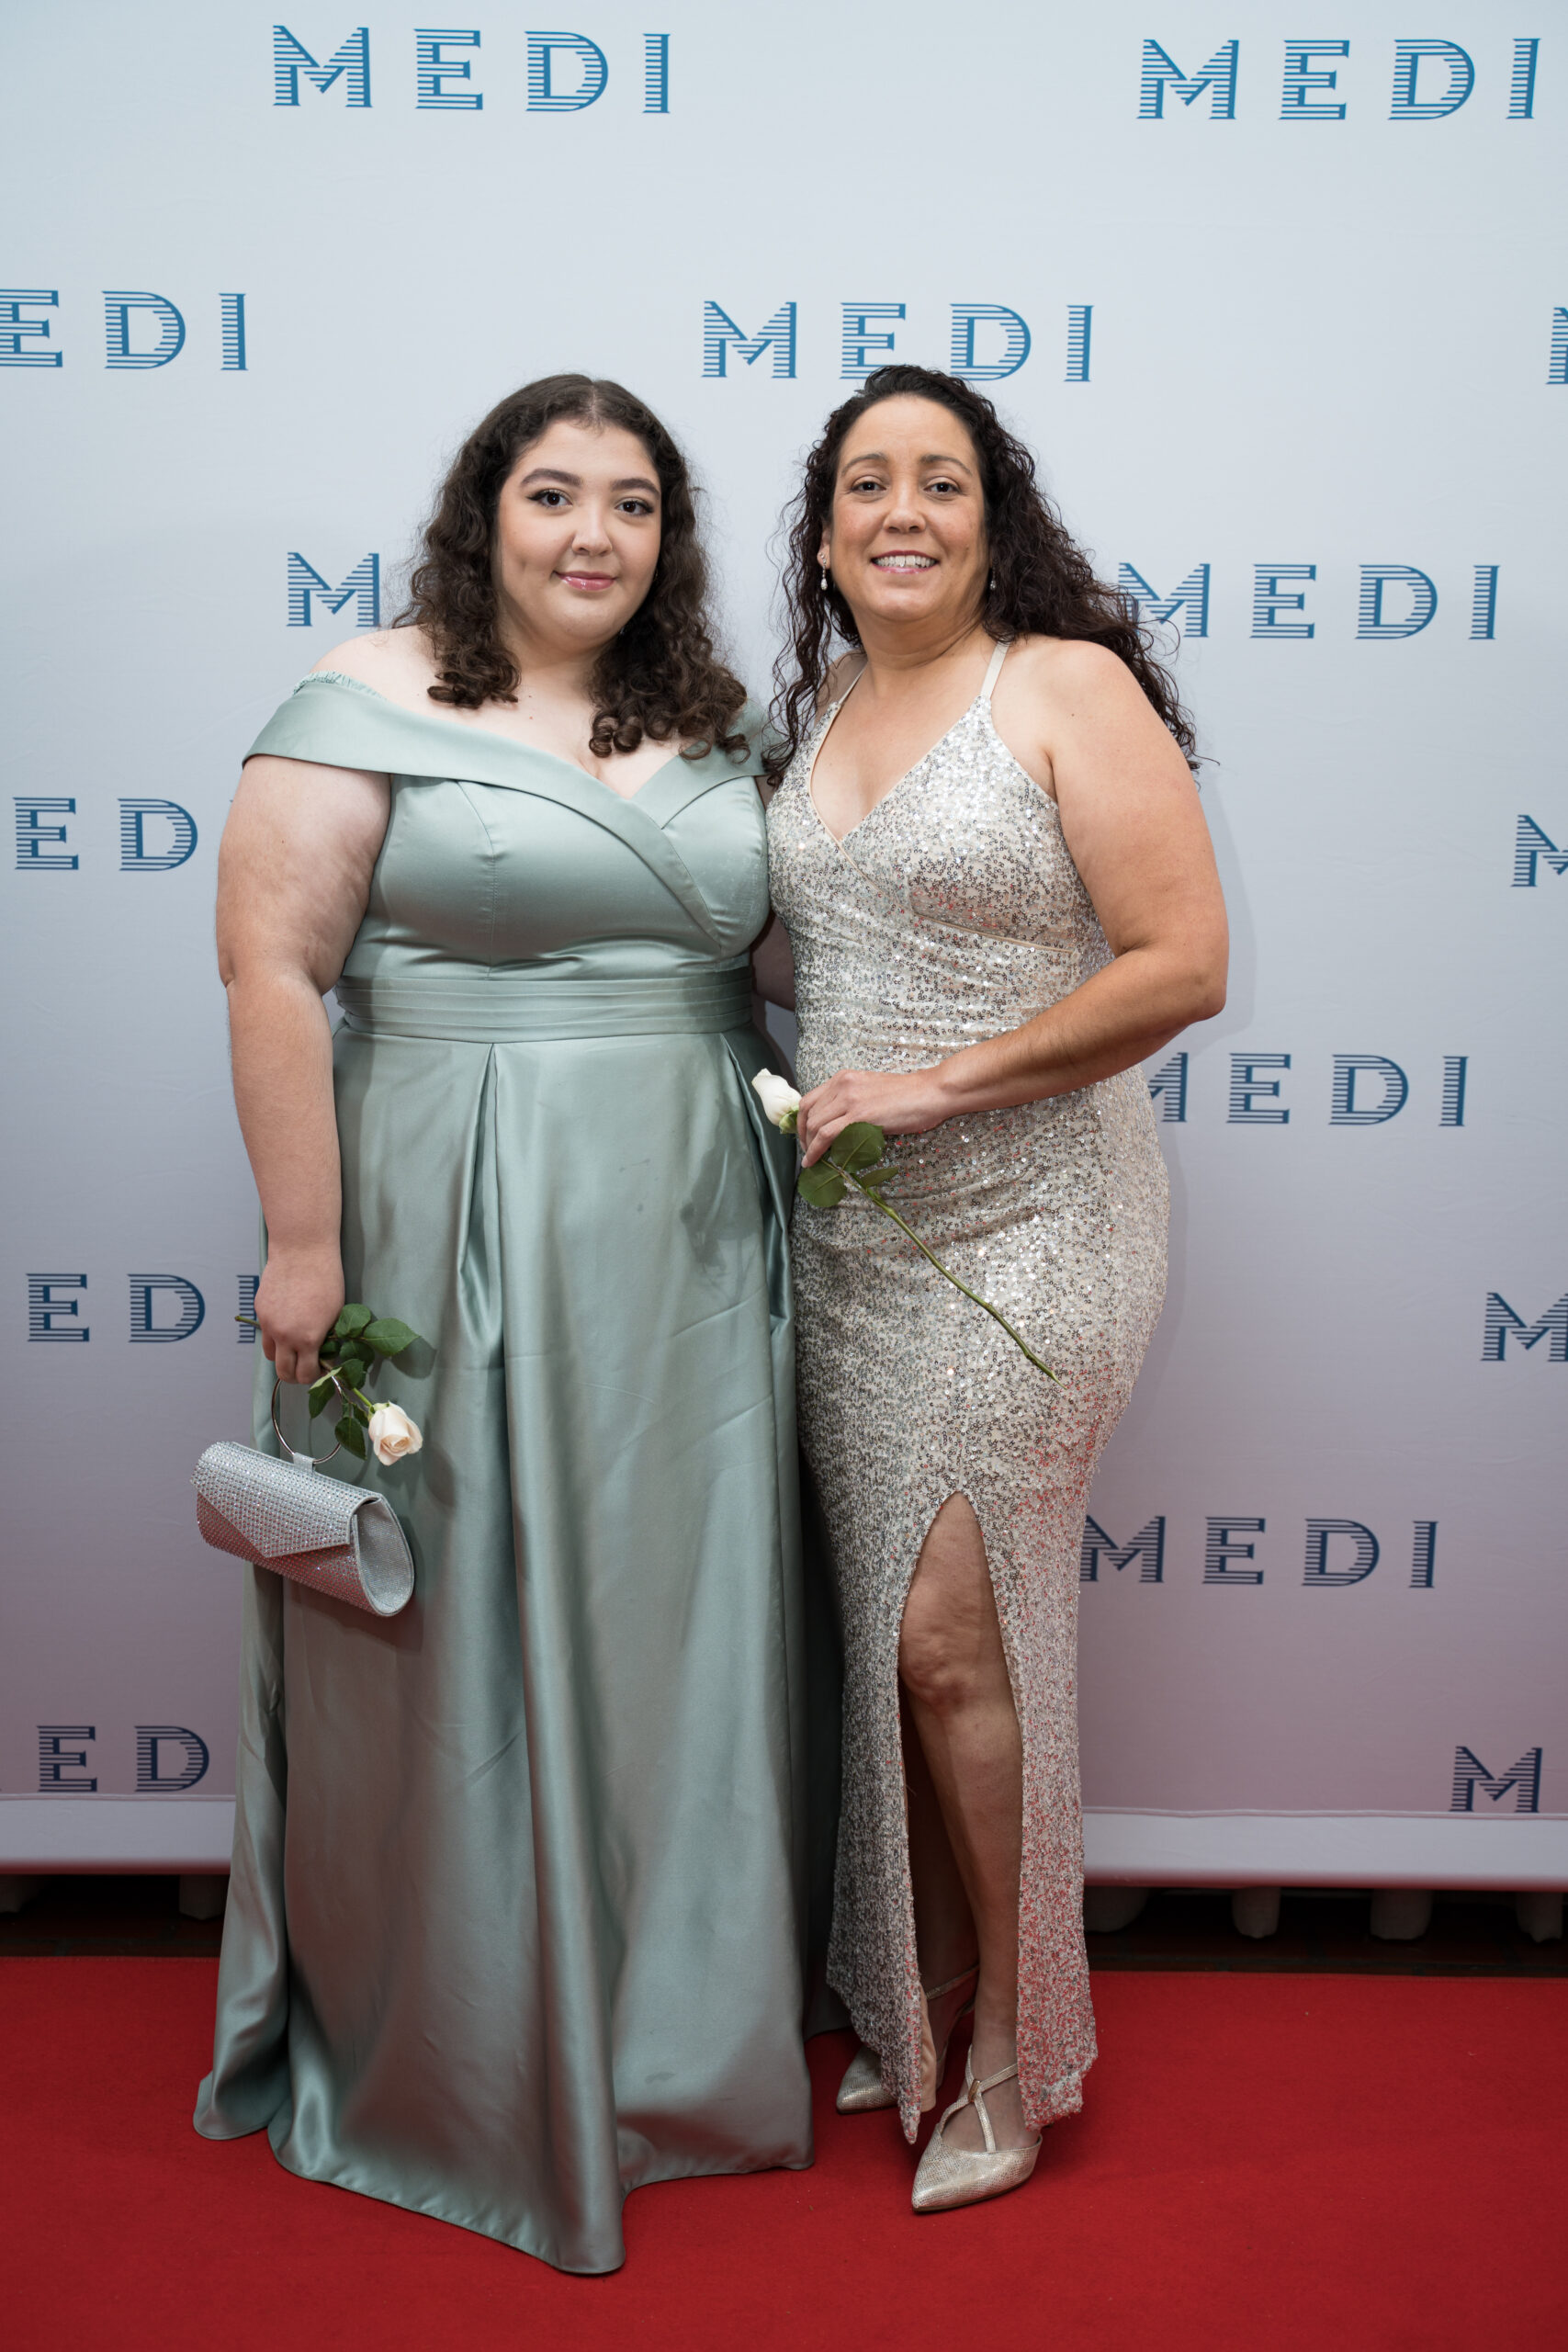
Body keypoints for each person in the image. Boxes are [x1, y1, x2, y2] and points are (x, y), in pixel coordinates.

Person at [196, 375, 814, 2273]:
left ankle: (674, 2025)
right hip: (446, 1209)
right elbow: (272, 970)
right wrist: (305, 1242)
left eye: (632, 502)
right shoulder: (364, 691)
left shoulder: (721, 718)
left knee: (672, 1608)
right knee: (452, 1605)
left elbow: (791, 954)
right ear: (485, 513)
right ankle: (460, 2042)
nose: (592, 534)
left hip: (694, 1229)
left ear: (667, 538)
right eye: (553, 494)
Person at [761, 364, 1227, 2212]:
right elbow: (802, 956)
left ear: (990, 518)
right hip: (855, 1238)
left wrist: (943, 1085)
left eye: (939, 480)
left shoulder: (1060, 685)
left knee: (963, 1639)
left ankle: (1020, 2063)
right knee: (896, 1638)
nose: (902, 510)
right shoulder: (817, 713)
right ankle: (919, 1993)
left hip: (1038, 1217)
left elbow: (1182, 961)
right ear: (821, 536)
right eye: (866, 482)